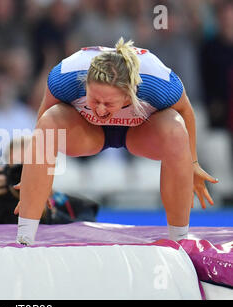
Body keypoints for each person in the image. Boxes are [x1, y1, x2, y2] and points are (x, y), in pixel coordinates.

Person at [14, 38, 219, 245]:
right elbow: (43, 121)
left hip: (139, 132)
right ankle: (24, 238)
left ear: (129, 97)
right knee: (50, 121)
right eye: (94, 100)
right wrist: (36, 173)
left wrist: (192, 163)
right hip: (88, 133)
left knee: (176, 129)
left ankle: (180, 241)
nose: (101, 109)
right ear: (85, 85)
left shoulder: (157, 83)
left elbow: (186, 111)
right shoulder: (65, 76)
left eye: (109, 103)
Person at [0, 136, 99, 225]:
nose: (25, 177)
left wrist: (48, 215)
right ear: (6, 171)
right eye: (19, 168)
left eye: (31, 168)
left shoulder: (73, 206)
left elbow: (88, 238)